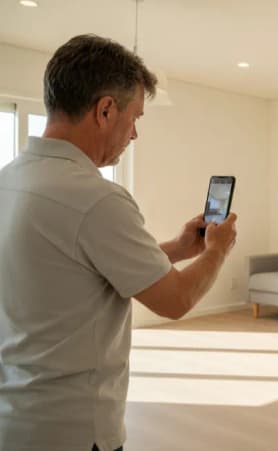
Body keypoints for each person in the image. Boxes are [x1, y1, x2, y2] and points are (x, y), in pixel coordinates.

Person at [0, 34, 237, 451]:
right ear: (106, 109)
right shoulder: (96, 198)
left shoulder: (11, 180)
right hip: (74, 429)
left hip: (16, 418)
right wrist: (218, 249)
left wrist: (179, 249)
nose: (135, 135)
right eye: (136, 117)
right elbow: (175, 300)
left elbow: (76, 268)